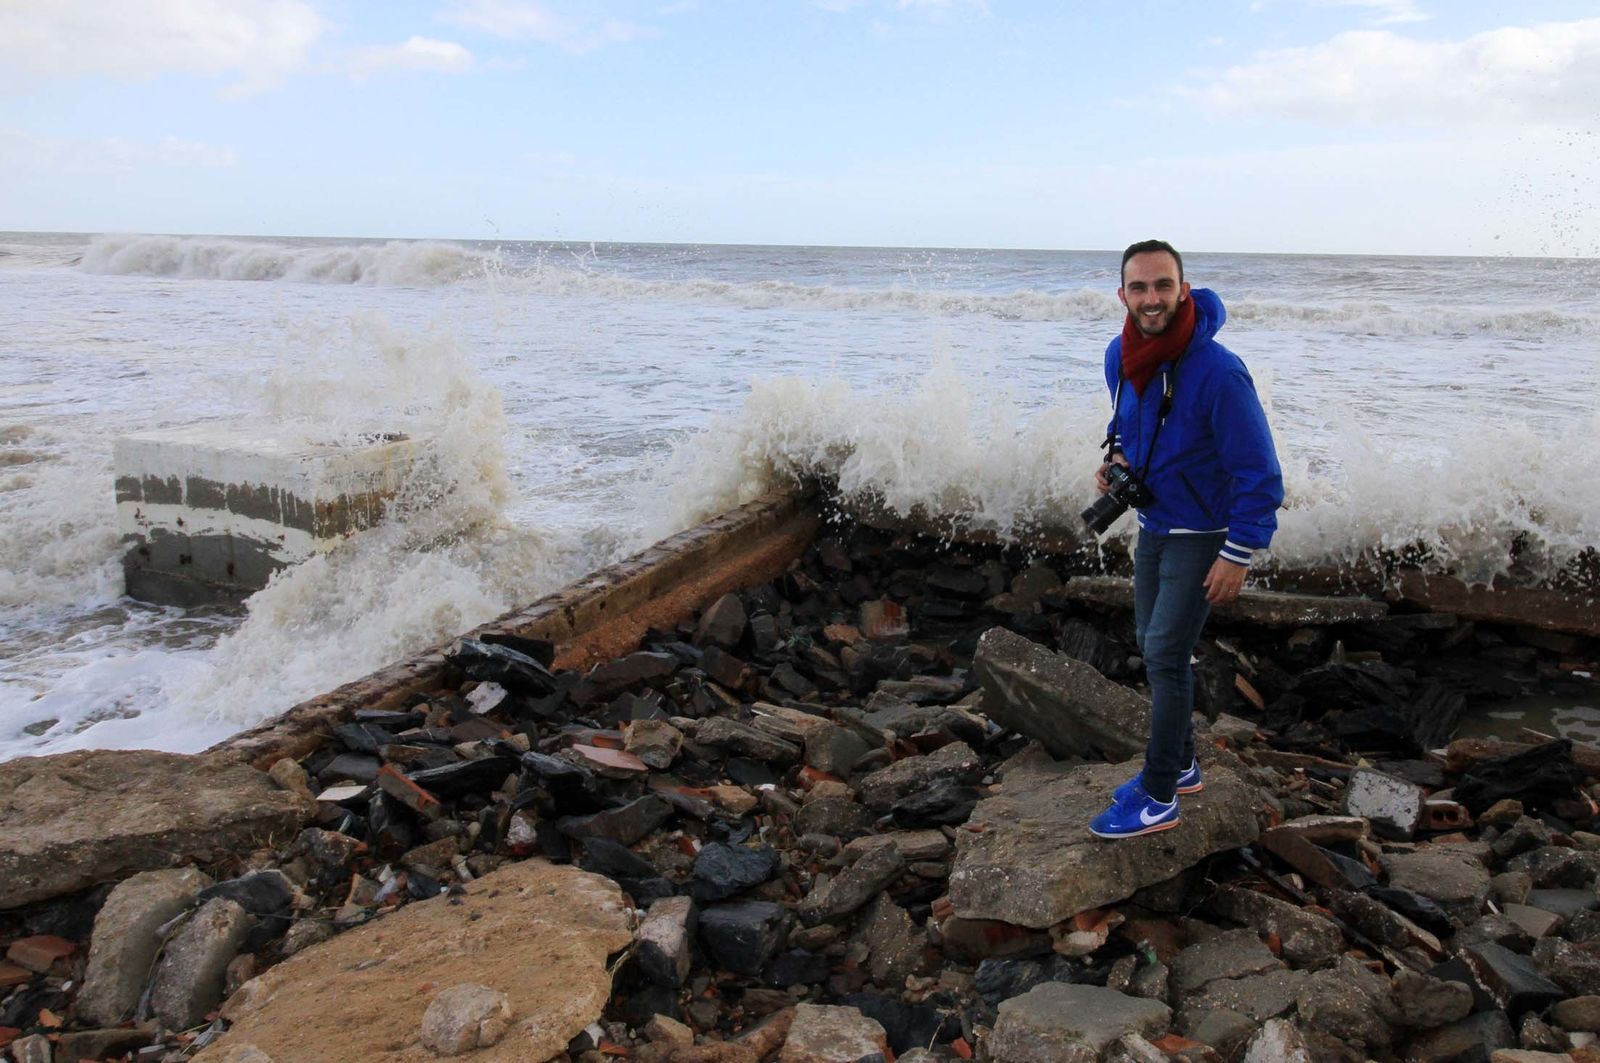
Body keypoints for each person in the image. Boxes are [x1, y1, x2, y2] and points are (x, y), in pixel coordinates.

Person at [1088, 239, 1284, 840]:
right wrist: (1118, 454)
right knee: (1151, 640)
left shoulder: (1220, 372)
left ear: (1183, 288)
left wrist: (1238, 553)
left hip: (1205, 533)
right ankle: (1183, 761)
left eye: (1163, 286)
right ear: (1122, 294)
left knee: (1166, 654)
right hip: (1155, 522)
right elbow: (1132, 421)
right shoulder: (1119, 356)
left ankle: (1158, 794)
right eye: (1139, 288)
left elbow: (1261, 472)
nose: (1152, 299)